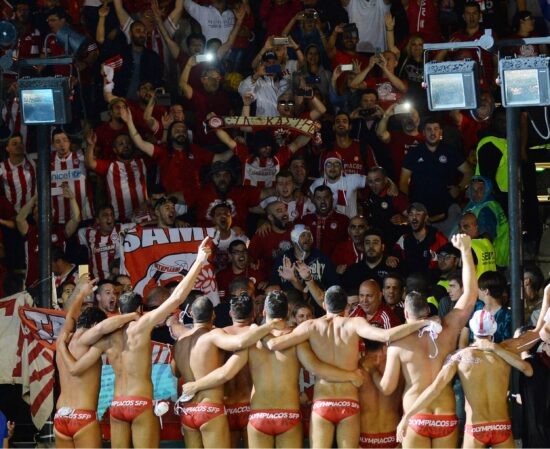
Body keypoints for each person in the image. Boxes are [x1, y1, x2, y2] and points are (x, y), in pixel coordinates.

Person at [64, 237, 213, 448]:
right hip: (139, 401)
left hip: (117, 405)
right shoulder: (142, 325)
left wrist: (62, 344)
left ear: (119, 310)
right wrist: (198, 262)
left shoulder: (106, 336)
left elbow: (76, 366)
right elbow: (176, 298)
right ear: (140, 310)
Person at [178, 290, 363, 448]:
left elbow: (226, 373)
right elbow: (317, 369)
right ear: (287, 312)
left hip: (259, 415)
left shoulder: (252, 341)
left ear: (264, 311)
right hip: (288, 414)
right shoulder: (295, 339)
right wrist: (350, 375)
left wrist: (196, 385)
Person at [265, 286, 432, 448]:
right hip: (348, 401)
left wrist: (259, 330)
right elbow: (386, 335)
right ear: (346, 307)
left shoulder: (311, 326)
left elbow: (274, 344)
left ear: (324, 305)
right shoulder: (355, 323)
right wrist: (422, 323)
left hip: (323, 401)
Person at [369, 234, 477, 449]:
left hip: (416, 415)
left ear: (406, 313)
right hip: (445, 414)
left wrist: (371, 370)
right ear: (428, 309)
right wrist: (465, 251)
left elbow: (388, 388)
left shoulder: (398, 343)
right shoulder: (447, 329)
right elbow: (471, 294)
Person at [396, 310, 533, 448]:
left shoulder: (459, 357)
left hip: (476, 428)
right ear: (494, 328)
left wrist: (407, 416)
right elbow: (528, 368)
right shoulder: (505, 352)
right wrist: (496, 349)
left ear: (472, 329)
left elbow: (435, 389)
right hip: (501, 425)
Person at [171, 294, 286, 448]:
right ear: (213, 315)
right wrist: (268, 326)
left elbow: (175, 372)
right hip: (224, 407)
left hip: (190, 410)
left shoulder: (180, 341)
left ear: (191, 314)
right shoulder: (217, 336)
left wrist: (174, 324)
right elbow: (239, 345)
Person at [55, 276, 138, 448]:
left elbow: (70, 316)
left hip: (60, 416)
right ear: (93, 325)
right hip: (82, 416)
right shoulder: (86, 339)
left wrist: (81, 295)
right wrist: (132, 315)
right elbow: (101, 328)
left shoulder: (64, 338)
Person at [359, 337, 403, 448]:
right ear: (384, 348)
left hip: (364, 436)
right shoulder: (398, 368)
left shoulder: (357, 368)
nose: (377, 361)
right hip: (393, 435)